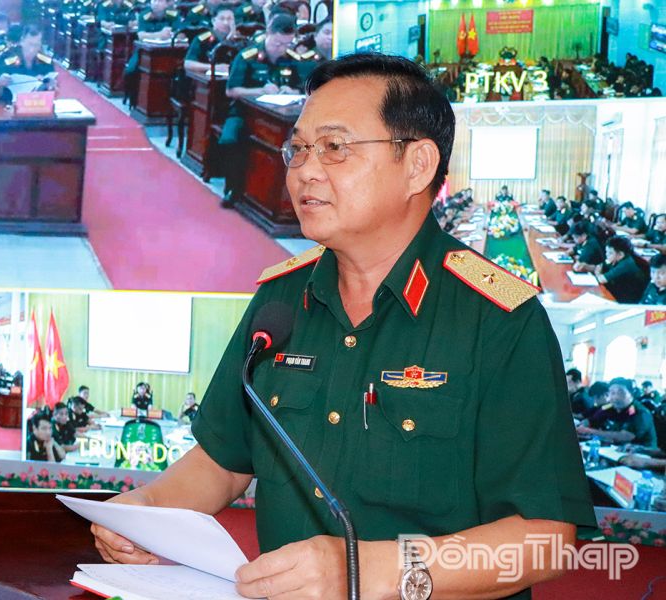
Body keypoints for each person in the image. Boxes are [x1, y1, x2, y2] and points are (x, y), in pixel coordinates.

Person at [91, 54, 594, 600]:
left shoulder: (497, 320)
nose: (305, 171)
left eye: (334, 147)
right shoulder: (281, 300)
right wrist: (148, 509)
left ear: (418, 165)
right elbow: (224, 461)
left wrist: (368, 570)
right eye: (299, 149)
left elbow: (546, 539)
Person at [218, 13, 299, 206]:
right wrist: (260, 90)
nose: (281, 49)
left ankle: (274, 199)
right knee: (230, 139)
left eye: (287, 44)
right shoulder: (247, 56)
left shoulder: (292, 59)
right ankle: (234, 188)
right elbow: (231, 90)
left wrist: (292, 90)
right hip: (244, 112)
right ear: (268, 34)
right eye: (277, 43)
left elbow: (302, 88)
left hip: (279, 115)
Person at [577, 378, 658, 448]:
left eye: (620, 392)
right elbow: (591, 421)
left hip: (641, 454)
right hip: (614, 450)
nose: (615, 397)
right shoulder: (610, 407)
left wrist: (590, 431)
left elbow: (625, 436)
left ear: (631, 394)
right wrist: (583, 426)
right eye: (612, 393)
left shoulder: (640, 412)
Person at [0, 25, 56, 104]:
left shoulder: (46, 61)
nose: (32, 50)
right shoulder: (7, 59)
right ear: (22, 41)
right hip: (11, 106)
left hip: (37, 105)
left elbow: (53, 91)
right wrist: (0, 85)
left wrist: (49, 85)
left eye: (36, 45)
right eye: (30, 44)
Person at [587, 236, 650, 303]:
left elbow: (601, 279)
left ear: (620, 254)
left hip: (626, 300)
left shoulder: (625, 264)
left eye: (610, 253)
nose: (607, 255)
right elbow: (600, 266)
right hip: (617, 291)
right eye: (606, 252)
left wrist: (598, 273)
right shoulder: (616, 259)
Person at [182, 6, 235, 74]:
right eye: (222, 19)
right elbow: (187, 64)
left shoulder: (240, 40)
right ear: (213, 21)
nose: (226, 23)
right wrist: (212, 67)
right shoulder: (203, 39)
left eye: (230, 19)